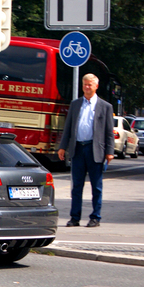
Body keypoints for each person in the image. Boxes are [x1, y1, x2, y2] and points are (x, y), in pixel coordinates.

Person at [57, 73, 114, 228]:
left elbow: (109, 131)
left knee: (96, 186)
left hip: (95, 150)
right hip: (78, 149)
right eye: (85, 84)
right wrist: (62, 147)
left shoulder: (105, 106)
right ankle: (74, 217)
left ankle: (95, 217)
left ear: (96, 86)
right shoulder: (75, 104)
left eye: (90, 84)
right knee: (76, 186)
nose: (87, 87)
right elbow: (68, 127)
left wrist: (110, 152)